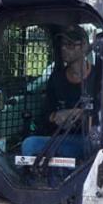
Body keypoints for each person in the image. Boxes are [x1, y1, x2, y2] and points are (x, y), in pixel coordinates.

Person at [22, 25, 98, 159]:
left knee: (92, 145)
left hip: (90, 138)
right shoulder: (57, 78)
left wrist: (81, 114)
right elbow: (44, 115)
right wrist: (56, 116)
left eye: (70, 44)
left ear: (84, 46)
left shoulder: (100, 75)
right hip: (62, 139)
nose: (64, 48)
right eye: (62, 44)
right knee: (30, 145)